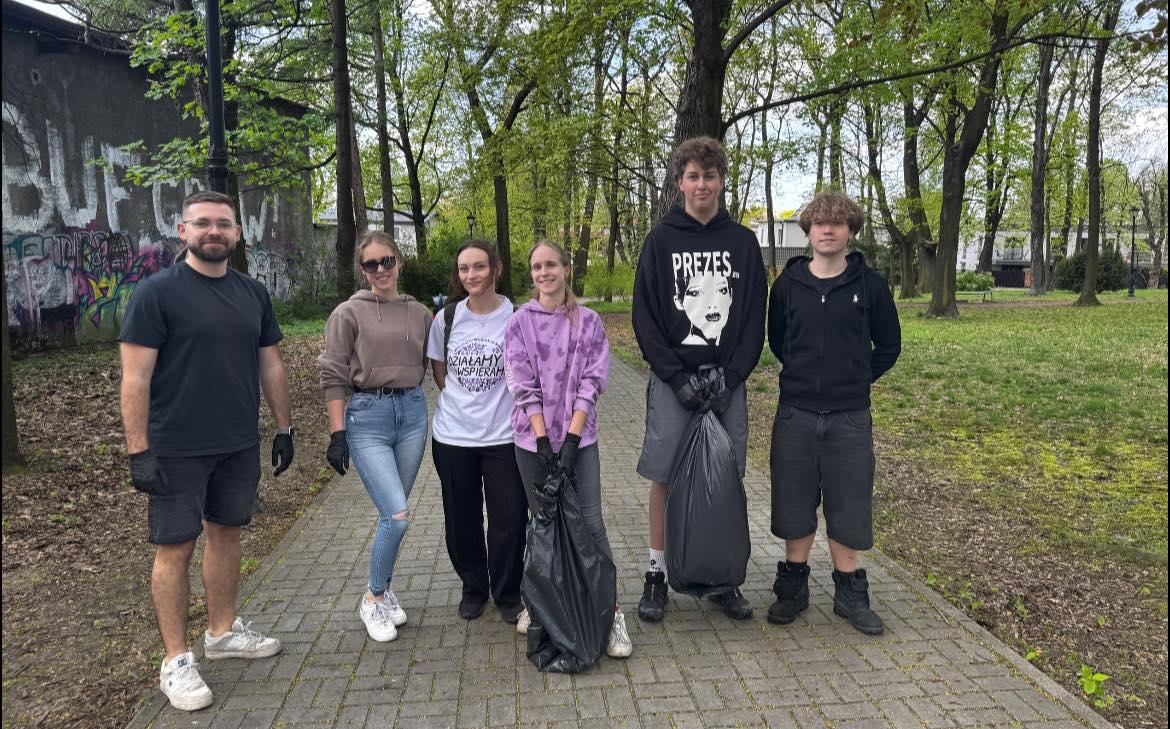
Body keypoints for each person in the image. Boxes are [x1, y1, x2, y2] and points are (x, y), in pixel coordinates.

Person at [119, 190, 292, 712]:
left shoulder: (252, 293)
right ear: (183, 230)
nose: (213, 232)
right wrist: (138, 450)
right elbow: (135, 376)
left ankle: (221, 632)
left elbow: (271, 365)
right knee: (175, 547)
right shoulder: (156, 294)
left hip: (238, 442)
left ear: (238, 233)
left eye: (223, 224)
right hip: (175, 448)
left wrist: (284, 427)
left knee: (227, 534)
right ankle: (175, 660)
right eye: (203, 224)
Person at [631, 136, 767, 622]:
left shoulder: (743, 243)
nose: (702, 184)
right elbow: (644, 316)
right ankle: (656, 574)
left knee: (724, 476)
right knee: (665, 477)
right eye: (693, 176)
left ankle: (723, 576)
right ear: (679, 182)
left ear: (721, 181)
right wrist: (675, 377)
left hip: (725, 381)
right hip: (675, 381)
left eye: (710, 176)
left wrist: (732, 378)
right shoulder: (661, 240)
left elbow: (753, 317)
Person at [766, 190, 901, 634]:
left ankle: (850, 592)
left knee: (848, 501)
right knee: (794, 499)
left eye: (837, 224)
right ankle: (793, 587)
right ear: (807, 231)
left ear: (850, 232)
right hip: (796, 413)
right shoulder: (787, 286)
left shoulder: (870, 287)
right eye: (820, 223)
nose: (828, 230)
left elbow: (889, 346)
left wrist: (857, 378)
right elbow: (779, 341)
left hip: (849, 417)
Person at [504, 240, 632, 658]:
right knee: (541, 521)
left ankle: (609, 612)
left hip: (581, 440)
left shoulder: (589, 322)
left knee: (591, 524)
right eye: (537, 267)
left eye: (551, 265)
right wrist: (542, 439)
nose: (544, 273)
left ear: (566, 269)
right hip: (531, 441)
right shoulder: (519, 322)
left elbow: (592, 381)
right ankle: (540, 604)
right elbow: (522, 383)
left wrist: (572, 440)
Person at [317, 231, 432, 643]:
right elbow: (332, 376)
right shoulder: (347, 313)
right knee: (397, 515)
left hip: (413, 415)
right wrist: (338, 434)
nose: (381, 270)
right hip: (368, 417)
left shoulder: (419, 313)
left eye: (387, 261)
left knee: (392, 516)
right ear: (362, 270)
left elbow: (431, 363)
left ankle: (383, 589)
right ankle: (373, 597)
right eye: (371, 264)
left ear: (399, 261)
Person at [427, 240, 528, 623]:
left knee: (510, 518)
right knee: (461, 518)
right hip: (453, 437)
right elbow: (439, 369)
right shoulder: (446, 318)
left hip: (504, 436)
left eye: (479, 267)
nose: (471, 275)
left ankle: (507, 591)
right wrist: (461, 401)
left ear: (496, 269)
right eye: (464, 269)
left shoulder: (516, 316)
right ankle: (474, 587)